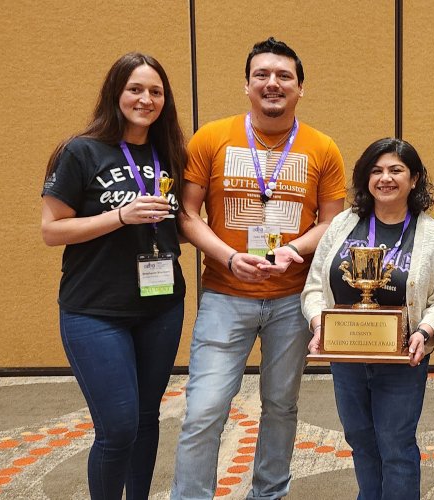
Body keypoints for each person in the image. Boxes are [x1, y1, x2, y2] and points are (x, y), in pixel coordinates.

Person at [171, 37, 346, 500]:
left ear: (300, 88)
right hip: (225, 294)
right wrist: (228, 257)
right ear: (246, 85)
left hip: (292, 299)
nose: (273, 83)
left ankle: (269, 494)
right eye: (262, 75)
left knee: (281, 406)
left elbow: (331, 222)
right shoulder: (211, 137)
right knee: (204, 409)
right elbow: (187, 215)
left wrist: (292, 250)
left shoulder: (322, 147)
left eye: (284, 76)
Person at [41, 52, 187, 500]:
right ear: (116, 93)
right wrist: (120, 216)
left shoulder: (172, 154)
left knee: (146, 419)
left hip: (161, 304)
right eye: (135, 89)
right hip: (94, 309)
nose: (146, 99)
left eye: (155, 91)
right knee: (118, 426)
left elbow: (186, 219)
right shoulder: (80, 151)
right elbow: (51, 230)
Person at [302, 138, 434, 499]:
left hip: (403, 358)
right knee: (359, 438)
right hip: (347, 356)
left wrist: (426, 330)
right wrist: (318, 323)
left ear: (414, 179)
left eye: (396, 170)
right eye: (376, 170)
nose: (385, 178)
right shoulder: (342, 224)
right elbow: (313, 287)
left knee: (396, 444)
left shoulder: (430, 233)